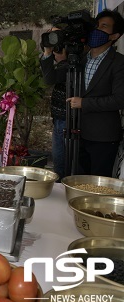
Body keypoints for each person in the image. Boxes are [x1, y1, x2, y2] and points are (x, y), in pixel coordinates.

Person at [42, 9, 124, 177]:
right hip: (78, 134)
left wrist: (84, 103)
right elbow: (50, 79)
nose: (97, 29)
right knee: (77, 182)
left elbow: (119, 100)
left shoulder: (119, 62)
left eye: (104, 26)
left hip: (103, 137)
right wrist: (47, 53)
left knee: (98, 187)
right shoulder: (80, 59)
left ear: (114, 35)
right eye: (97, 25)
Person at [40, 27, 69, 181]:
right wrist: (47, 53)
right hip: (58, 118)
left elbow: (50, 79)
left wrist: (63, 61)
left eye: (57, 34)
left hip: (70, 118)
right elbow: (48, 79)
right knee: (58, 164)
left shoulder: (77, 59)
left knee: (65, 166)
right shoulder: (61, 58)